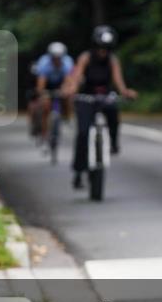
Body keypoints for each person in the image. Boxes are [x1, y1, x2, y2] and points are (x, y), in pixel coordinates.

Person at [63, 25, 137, 189]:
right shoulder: (86, 57)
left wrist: (125, 92)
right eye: (100, 48)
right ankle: (78, 171)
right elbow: (77, 76)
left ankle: (114, 142)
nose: (103, 51)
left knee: (113, 112)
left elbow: (118, 80)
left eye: (107, 48)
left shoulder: (112, 60)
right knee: (82, 133)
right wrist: (72, 90)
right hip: (86, 97)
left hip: (104, 96)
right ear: (94, 46)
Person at [31, 42, 74, 145]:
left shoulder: (68, 63)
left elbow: (69, 80)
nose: (56, 60)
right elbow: (41, 82)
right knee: (45, 105)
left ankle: (67, 117)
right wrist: (42, 93)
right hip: (48, 84)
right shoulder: (44, 63)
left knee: (68, 97)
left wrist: (66, 90)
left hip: (61, 83)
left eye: (59, 57)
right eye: (54, 57)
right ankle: (44, 133)